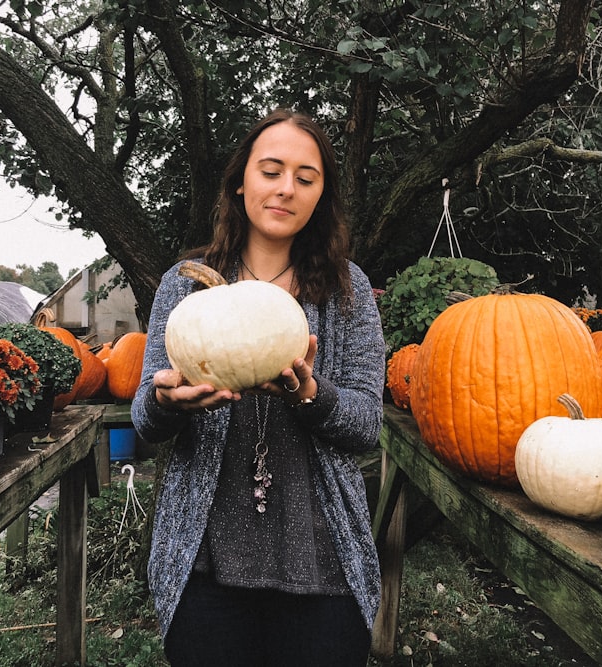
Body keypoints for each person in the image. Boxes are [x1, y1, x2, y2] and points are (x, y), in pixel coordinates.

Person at [131, 108, 386, 666]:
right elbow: (145, 420)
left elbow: (368, 424)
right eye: (271, 170)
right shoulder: (185, 286)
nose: (285, 189)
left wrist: (312, 396)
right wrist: (166, 402)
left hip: (322, 559)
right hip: (204, 564)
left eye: (305, 177)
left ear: (321, 194)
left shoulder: (347, 289)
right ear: (241, 180)